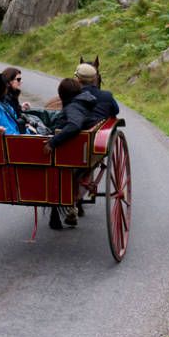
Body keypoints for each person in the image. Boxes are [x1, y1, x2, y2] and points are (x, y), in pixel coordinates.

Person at [44, 78, 98, 228]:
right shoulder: (85, 101)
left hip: (68, 150)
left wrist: (53, 142)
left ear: (62, 95)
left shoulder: (73, 107)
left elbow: (74, 125)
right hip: (81, 147)